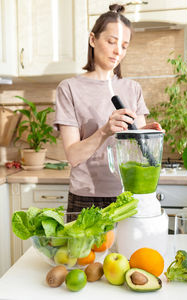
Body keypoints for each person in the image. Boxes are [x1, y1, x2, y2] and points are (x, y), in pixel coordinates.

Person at [53, 4, 162, 214]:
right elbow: (73, 156)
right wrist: (104, 131)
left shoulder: (132, 88)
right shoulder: (69, 88)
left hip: (127, 195)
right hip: (86, 197)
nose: (117, 51)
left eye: (124, 45)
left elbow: (136, 147)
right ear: (93, 40)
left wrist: (148, 134)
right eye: (111, 42)